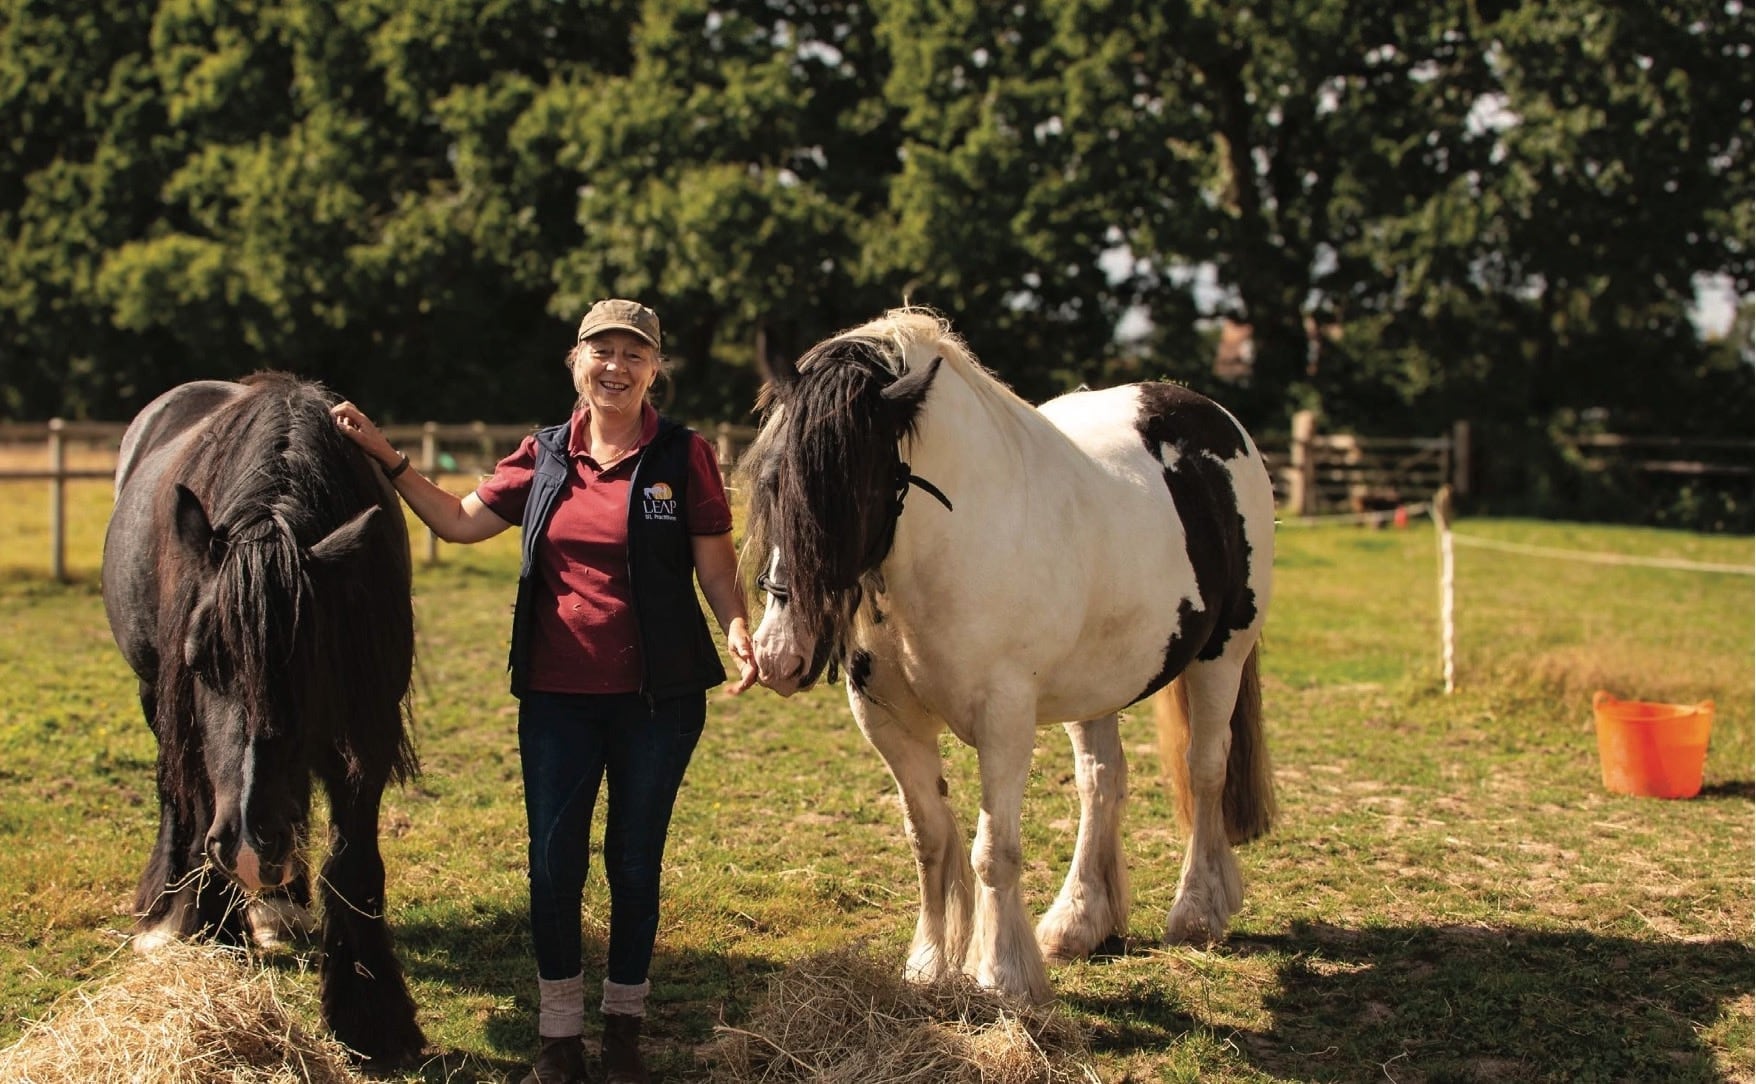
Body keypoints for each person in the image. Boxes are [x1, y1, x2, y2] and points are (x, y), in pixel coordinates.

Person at [332, 298, 757, 1084]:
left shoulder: (684, 456)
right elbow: (458, 523)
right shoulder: (546, 455)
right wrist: (389, 460)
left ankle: (624, 1033)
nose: (617, 367)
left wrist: (736, 626)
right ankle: (560, 1040)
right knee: (553, 866)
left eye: (634, 354)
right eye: (602, 352)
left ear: (655, 369)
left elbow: (717, 567)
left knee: (634, 863)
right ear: (576, 362)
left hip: (659, 701)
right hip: (556, 699)